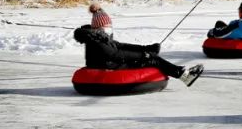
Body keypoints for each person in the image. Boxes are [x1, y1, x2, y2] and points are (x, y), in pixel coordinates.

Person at [72, 25, 203, 86]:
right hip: (112, 67)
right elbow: (117, 54)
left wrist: (147, 48)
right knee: (153, 60)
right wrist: (143, 56)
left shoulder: (100, 41)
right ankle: (184, 76)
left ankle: (182, 74)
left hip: (113, 64)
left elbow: (122, 45)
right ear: (94, 32)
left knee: (152, 57)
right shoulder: (96, 43)